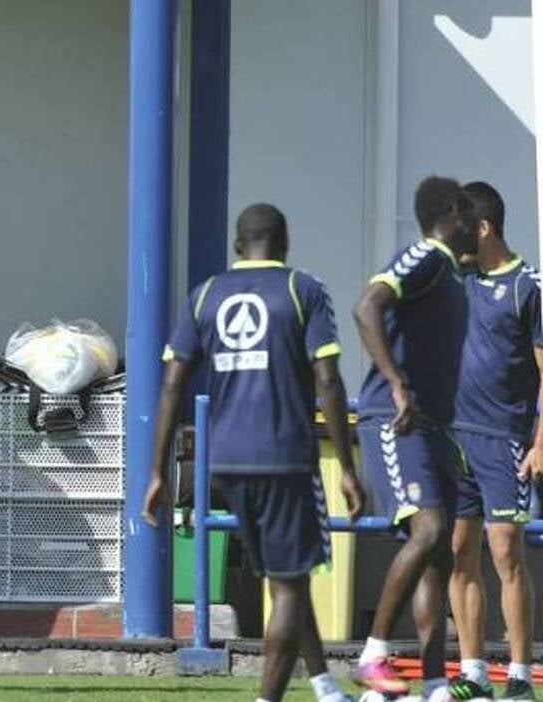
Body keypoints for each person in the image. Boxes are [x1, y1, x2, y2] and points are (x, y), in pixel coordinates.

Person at [142, 204, 364, 702]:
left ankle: (325, 685)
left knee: (288, 576)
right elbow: (328, 380)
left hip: (226, 461)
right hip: (284, 457)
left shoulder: (205, 295)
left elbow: (172, 385)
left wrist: (157, 471)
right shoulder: (302, 289)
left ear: (238, 246)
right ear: (285, 241)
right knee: (289, 584)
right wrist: (348, 469)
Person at [352, 176, 477, 700]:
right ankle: (372, 656)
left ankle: (433, 682)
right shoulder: (425, 255)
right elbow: (367, 306)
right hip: (396, 420)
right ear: (453, 213)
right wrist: (396, 384)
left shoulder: (452, 273)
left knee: (438, 556)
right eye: (470, 214)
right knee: (427, 531)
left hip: (435, 430)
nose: (477, 226)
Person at [446, 182, 541, 701]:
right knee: (459, 551)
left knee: (506, 552)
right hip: (455, 438)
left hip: (505, 439)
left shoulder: (529, 286)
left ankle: (520, 676)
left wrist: (540, 441)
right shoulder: (457, 279)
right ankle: (474, 672)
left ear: (483, 229)